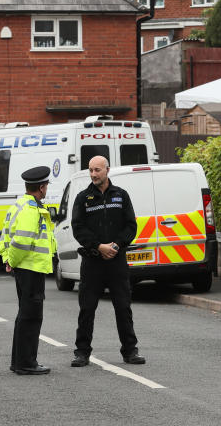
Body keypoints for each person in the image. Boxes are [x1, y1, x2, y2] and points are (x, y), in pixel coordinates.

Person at [70, 155, 145, 367]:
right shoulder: (83, 198)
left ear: (107, 170)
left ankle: (130, 351)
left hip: (116, 262)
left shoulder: (121, 195)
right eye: (90, 170)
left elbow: (131, 225)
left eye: (97, 170)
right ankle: (82, 353)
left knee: (123, 307)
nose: (93, 174)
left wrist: (116, 245)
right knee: (87, 309)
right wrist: (97, 246)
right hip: (93, 263)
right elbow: (78, 227)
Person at [0, 165, 57, 375]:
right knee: (31, 317)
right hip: (31, 268)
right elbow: (21, 241)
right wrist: (12, 261)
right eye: (46, 185)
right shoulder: (31, 210)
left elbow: (5, 237)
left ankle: (19, 361)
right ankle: (26, 363)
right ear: (41, 187)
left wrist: (8, 259)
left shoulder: (18, 206)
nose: (47, 188)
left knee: (25, 315)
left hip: (26, 268)